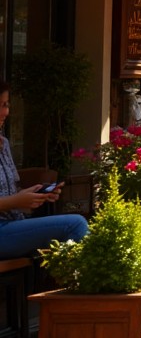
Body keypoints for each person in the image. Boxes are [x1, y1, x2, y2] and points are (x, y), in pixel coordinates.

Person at [0, 81, 88, 259]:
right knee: (75, 225)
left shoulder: (4, 143)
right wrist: (15, 201)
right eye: (1, 105)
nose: (6, 112)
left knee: (83, 230)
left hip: (13, 224)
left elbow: (10, 194)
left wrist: (32, 196)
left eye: (7, 104)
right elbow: (10, 201)